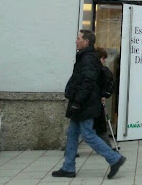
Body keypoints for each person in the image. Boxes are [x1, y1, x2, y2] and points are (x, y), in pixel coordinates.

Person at [52, 30, 126, 179]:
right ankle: (68, 167)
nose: (76, 41)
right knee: (72, 133)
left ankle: (114, 158)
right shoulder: (85, 57)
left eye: (78, 38)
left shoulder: (88, 59)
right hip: (82, 102)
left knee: (88, 134)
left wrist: (78, 101)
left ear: (86, 41)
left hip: (85, 103)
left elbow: (88, 82)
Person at [94, 47, 114, 148]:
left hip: (93, 101)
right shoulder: (100, 70)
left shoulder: (96, 69)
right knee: (100, 126)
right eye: (103, 58)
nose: (105, 60)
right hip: (94, 102)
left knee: (80, 128)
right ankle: (107, 147)